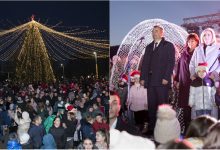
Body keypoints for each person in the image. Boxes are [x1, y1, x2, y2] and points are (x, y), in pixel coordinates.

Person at [140, 25, 175, 135]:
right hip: (150, 81)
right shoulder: (149, 46)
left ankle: (164, 129)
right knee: (151, 106)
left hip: (161, 81)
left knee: (162, 106)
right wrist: (142, 78)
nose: (154, 33)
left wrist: (166, 77)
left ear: (161, 33)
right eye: (153, 31)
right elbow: (145, 63)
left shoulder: (168, 45)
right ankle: (152, 128)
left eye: (156, 31)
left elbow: (171, 62)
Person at [174, 33, 200, 132]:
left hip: (194, 83)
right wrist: (176, 80)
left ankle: (194, 129)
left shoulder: (198, 53)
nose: (190, 43)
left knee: (193, 106)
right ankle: (186, 128)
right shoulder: (183, 54)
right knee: (185, 107)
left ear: (197, 42)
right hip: (184, 84)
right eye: (189, 41)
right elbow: (179, 68)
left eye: (192, 41)